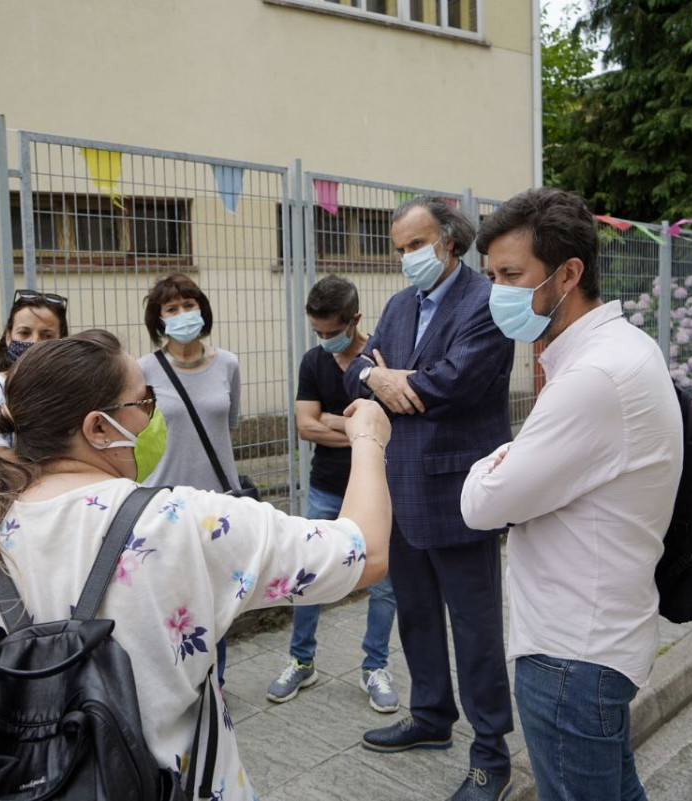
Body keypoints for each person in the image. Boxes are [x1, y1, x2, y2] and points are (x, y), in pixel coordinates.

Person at [0, 331, 394, 800]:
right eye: (145, 401)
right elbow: (361, 554)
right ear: (99, 428)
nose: (155, 414)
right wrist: (368, 438)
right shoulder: (185, 521)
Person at [461, 188, 683, 801]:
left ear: (569, 274)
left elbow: (483, 505)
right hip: (597, 638)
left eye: (510, 275)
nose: (496, 292)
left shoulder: (592, 377)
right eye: (491, 276)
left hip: (570, 655)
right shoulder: (622, 350)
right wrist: (515, 463)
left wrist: (494, 461)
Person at [343, 196, 516, 801]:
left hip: (460, 492)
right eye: (399, 249)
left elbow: (455, 380)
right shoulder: (396, 306)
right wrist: (377, 375)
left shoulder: (486, 302)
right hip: (399, 488)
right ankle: (431, 717)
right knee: (414, 614)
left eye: (415, 245)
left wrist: (391, 377)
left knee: (475, 631)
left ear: (449, 242)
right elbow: (354, 369)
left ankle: (491, 756)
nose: (406, 259)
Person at [265, 276, 400, 713]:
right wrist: (364, 432)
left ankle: (374, 667)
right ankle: (302, 660)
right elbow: (305, 425)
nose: (324, 340)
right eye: (317, 332)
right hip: (325, 487)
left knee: (383, 585)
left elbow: (395, 424)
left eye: (332, 332)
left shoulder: (381, 358)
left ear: (355, 319)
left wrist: (332, 421)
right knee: (308, 577)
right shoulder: (312, 362)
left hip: (378, 491)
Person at [138, 273, 241, 685]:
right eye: (172, 309)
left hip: (218, 503)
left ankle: (214, 686)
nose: (183, 314)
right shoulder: (143, 370)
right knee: (169, 601)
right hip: (163, 503)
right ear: (159, 320)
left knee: (216, 602)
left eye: (189, 304)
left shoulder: (228, 363)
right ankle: (174, 685)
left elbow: (229, 422)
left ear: (202, 308)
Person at [0, 288, 68, 445]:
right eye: (25, 333)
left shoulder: (70, 390)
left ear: (62, 341)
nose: (34, 343)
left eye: (47, 336)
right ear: (8, 337)